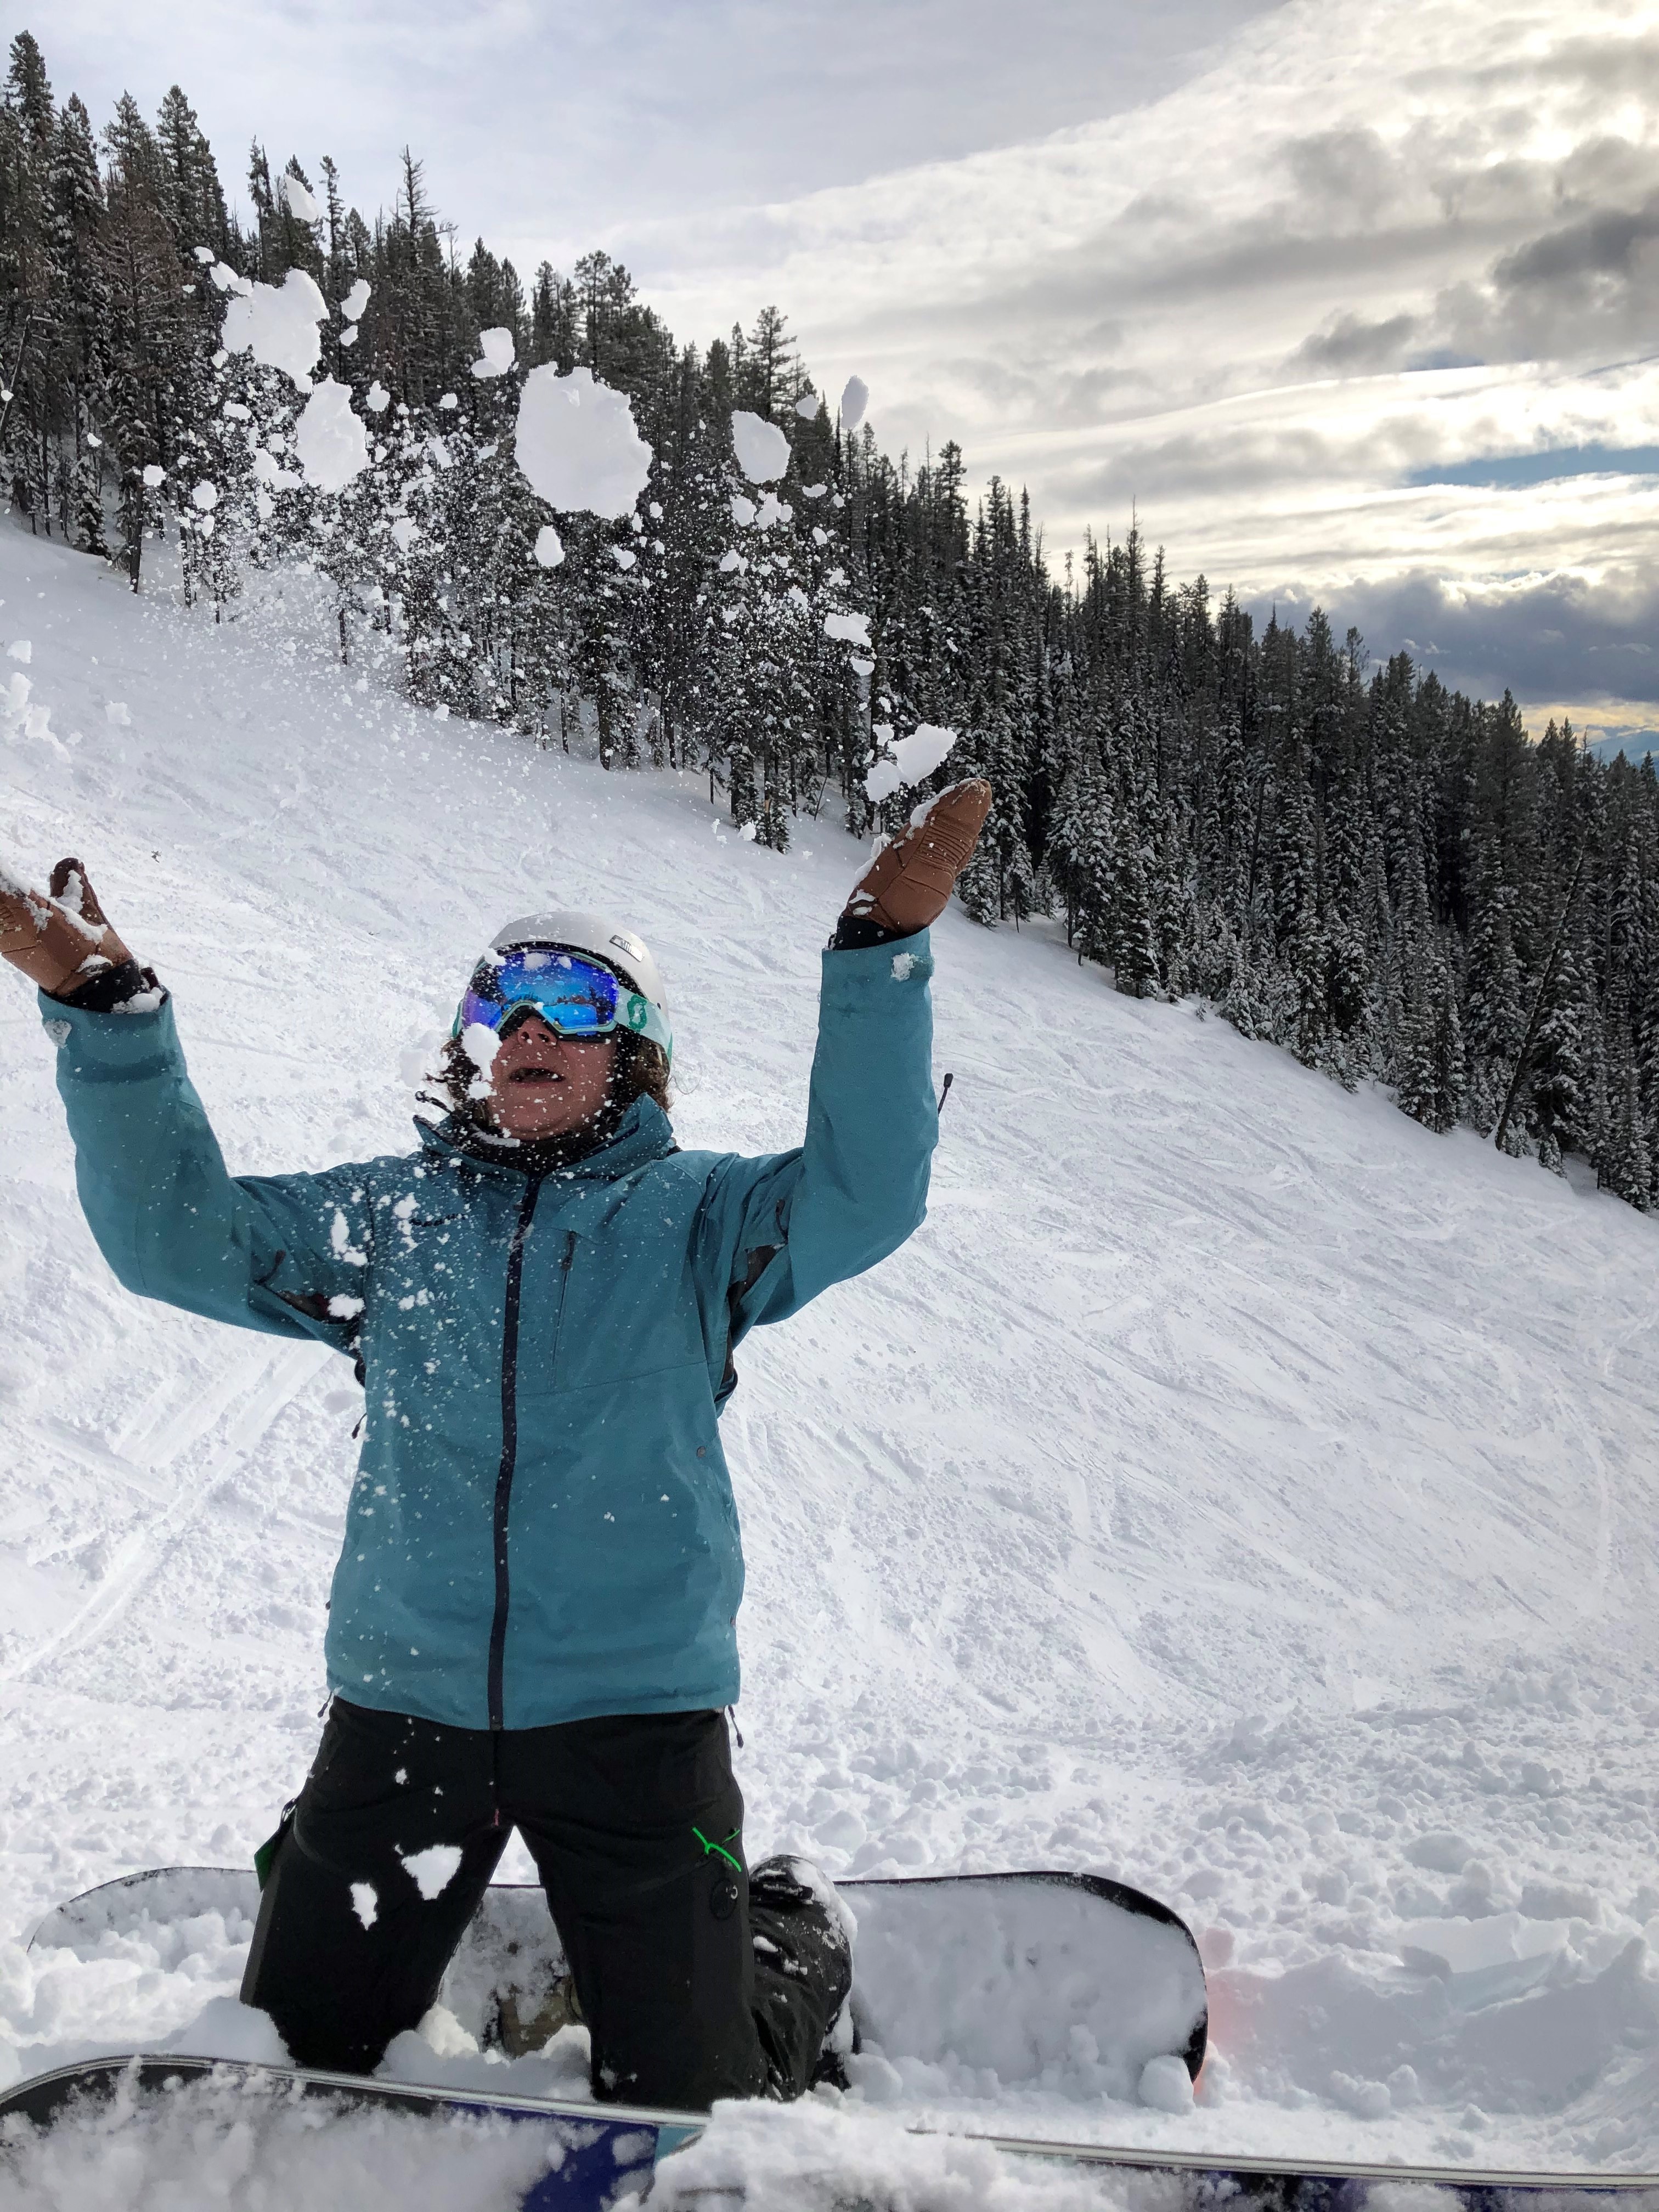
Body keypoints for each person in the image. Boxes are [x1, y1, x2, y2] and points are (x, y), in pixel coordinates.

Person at [0, 780, 992, 2110]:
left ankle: (790, 1937)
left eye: (573, 1006)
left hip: (634, 1717)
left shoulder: (699, 1219)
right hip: (407, 1709)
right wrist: (110, 1023)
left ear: (630, 1050)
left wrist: (880, 956)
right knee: (295, 2071)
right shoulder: (395, 1220)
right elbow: (179, 1242)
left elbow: (867, 1192)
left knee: (695, 2102)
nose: (528, 1029)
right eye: (499, 1005)